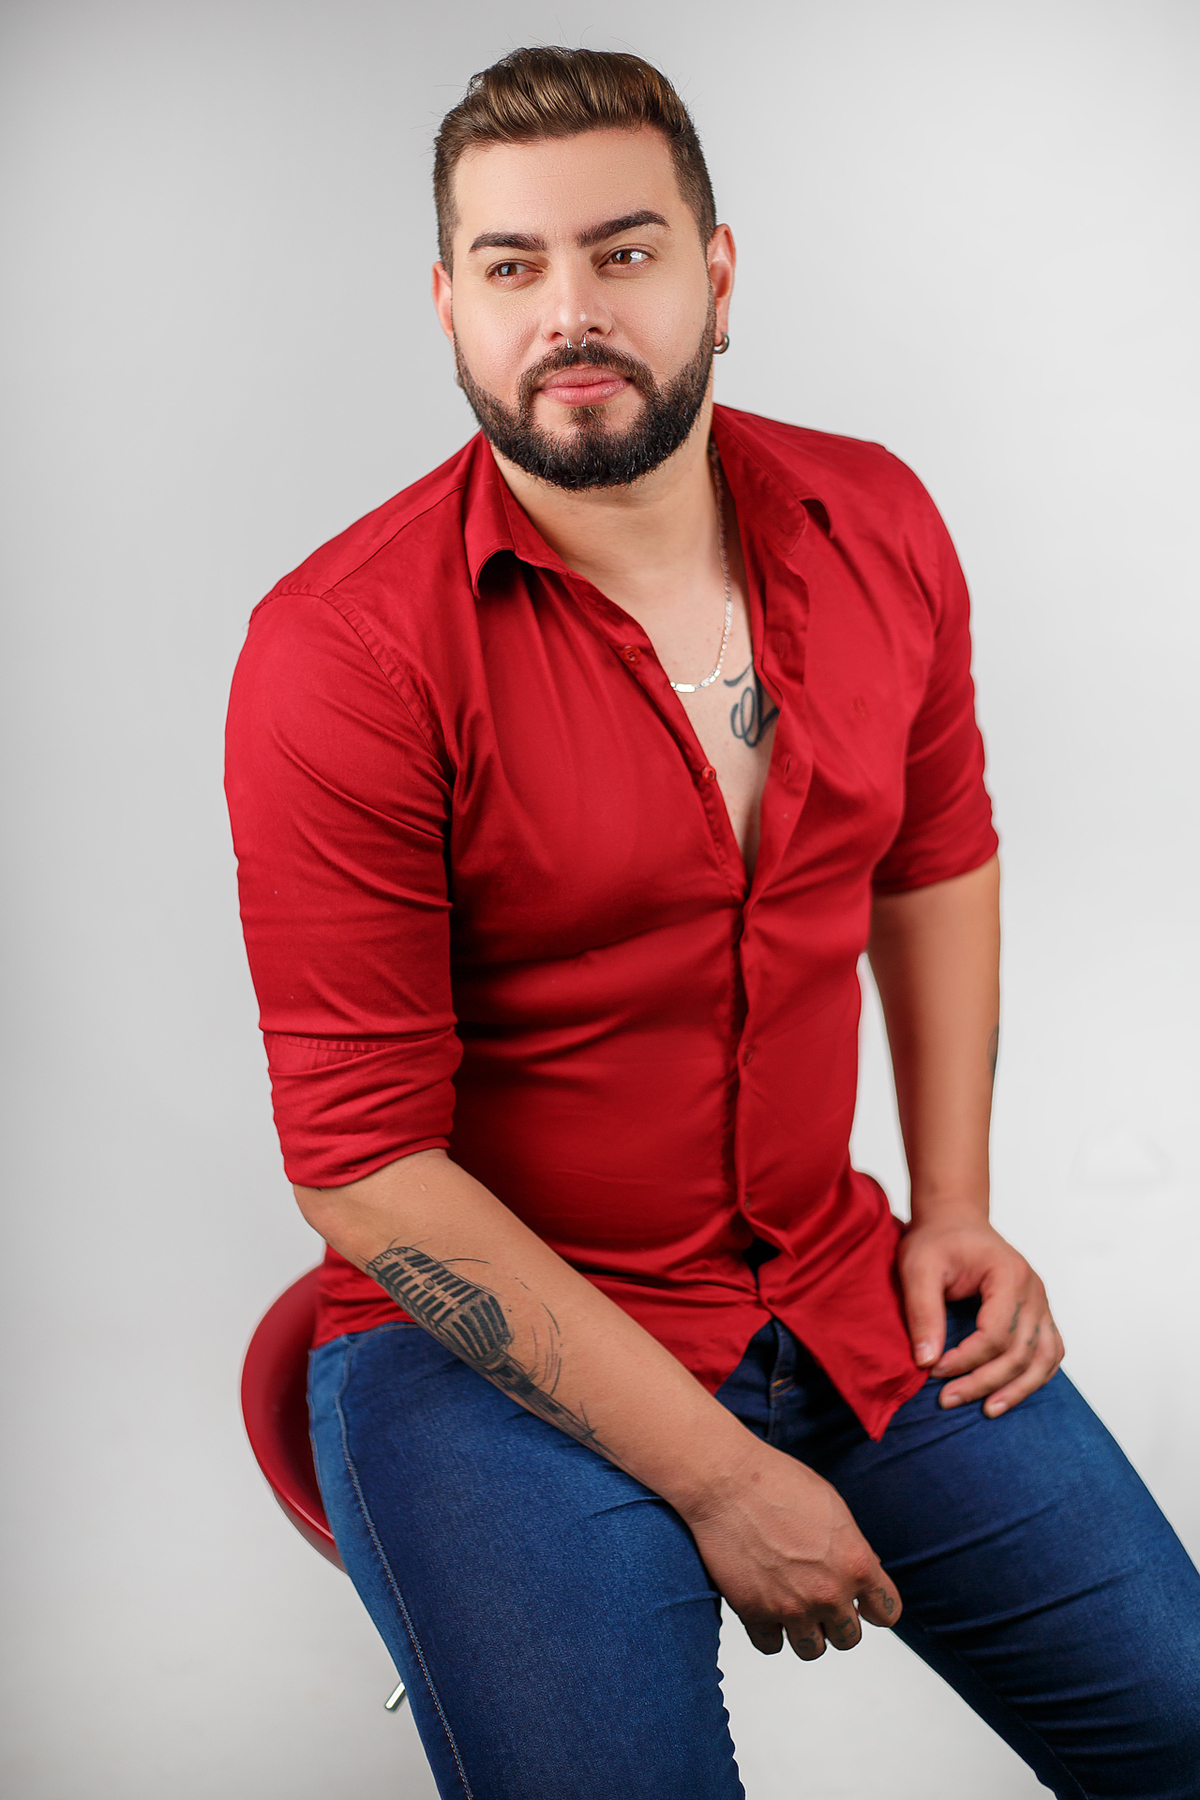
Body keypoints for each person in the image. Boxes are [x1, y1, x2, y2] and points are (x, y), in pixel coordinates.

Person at [224, 45, 1200, 1800]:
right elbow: (362, 1166)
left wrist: (955, 1206)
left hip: (830, 1279)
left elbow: (937, 856)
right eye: (512, 266)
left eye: (624, 251)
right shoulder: (341, 655)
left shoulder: (875, 518)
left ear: (718, 274)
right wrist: (724, 1477)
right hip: (481, 1354)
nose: (570, 312)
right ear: (448, 306)